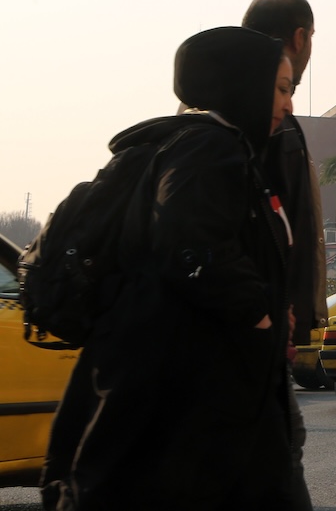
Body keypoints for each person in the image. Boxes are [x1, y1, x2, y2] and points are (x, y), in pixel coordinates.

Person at [42, 27, 298, 509]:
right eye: (281, 89)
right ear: (244, 84)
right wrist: (257, 311)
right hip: (188, 392)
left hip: (194, 389)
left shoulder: (209, 145)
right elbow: (187, 243)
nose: (286, 105)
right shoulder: (209, 148)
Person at [243, 0, 329, 511]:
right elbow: (282, 236)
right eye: (281, 90)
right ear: (299, 38)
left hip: (256, 332)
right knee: (279, 463)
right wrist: (282, 318)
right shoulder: (268, 128)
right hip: (261, 335)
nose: (288, 103)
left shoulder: (207, 115)